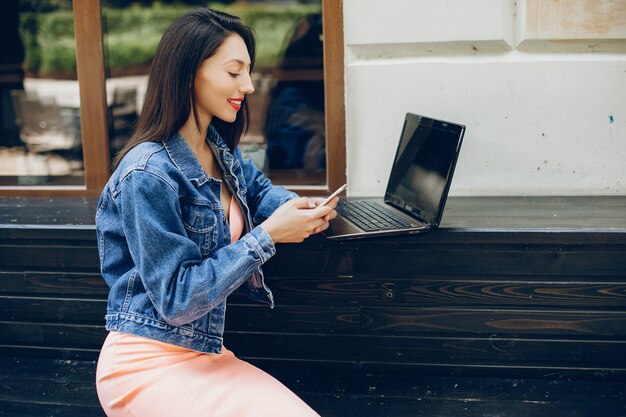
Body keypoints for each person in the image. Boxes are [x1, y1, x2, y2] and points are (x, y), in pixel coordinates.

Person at [94, 8, 337, 417]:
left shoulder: (217, 149)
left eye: (248, 71)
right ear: (190, 73)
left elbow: (259, 192)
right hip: (146, 361)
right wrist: (268, 236)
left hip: (207, 353)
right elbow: (176, 299)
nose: (249, 85)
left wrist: (302, 209)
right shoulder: (147, 173)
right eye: (234, 72)